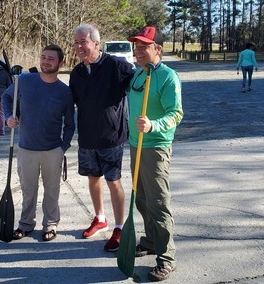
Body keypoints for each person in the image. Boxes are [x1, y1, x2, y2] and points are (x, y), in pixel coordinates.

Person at [69, 23, 135, 251]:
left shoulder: (116, 65)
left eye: (83, 42)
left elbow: (139, 87)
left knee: (113, 181)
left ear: (96, 43)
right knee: (92, 178)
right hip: (87, 137)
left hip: (112, 138)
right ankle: (100, 218)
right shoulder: (77, 73)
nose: (79, 47)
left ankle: (119, 227)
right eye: (76, 43)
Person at [2, 44, 75, 242]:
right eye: (43, 57)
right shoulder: (24, 81)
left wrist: (63, 147)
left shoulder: (64, 92)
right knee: (28, 190)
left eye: (51, 58)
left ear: (61, 63)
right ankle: (26, 224)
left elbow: (70, 124)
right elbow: (6, 98)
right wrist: (9, 117)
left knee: (52, 190)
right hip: (26, 148)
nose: (45, 61)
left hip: (53, 150)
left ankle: (51, 224)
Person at [127, 26, 183, 282]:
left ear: (157, 49)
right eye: (136, 46)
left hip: (156, 147)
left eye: (144, 46)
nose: (138, 51)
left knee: (158, 203)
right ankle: (150, 241)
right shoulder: (138, 74)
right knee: (141, 198)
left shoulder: (169, 77)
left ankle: (166, 257)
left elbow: (176, 113)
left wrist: (153, 125)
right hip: (135, 144)